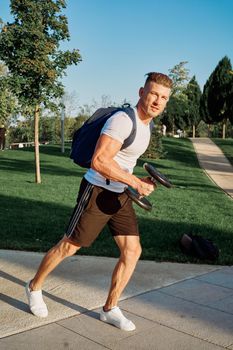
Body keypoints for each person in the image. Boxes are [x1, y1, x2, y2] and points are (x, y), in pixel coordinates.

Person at [25, 72, 173, 331]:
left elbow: (122, 162)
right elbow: (100, 161)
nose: (157, 101)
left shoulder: (147, 125)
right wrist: (135, 183)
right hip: (96, 190)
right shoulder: (122, 121)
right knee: (70, 246)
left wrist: (137, 180)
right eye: (153, 94)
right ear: (141, 92)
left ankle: (110, 308)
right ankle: (34, 286)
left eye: (163, 97)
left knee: (132, 251)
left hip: (120, 194)